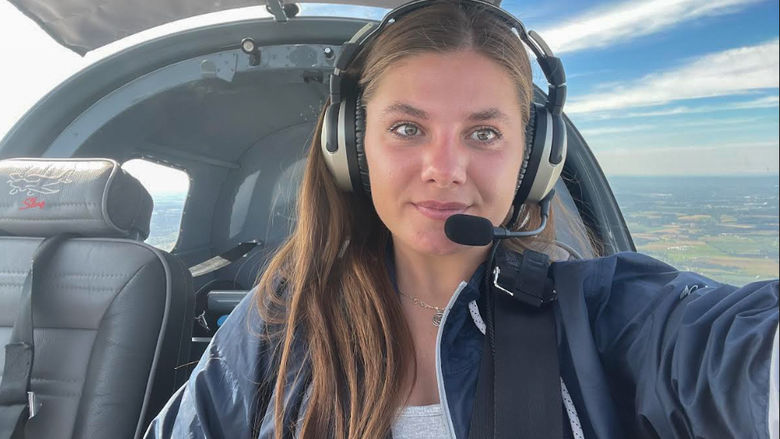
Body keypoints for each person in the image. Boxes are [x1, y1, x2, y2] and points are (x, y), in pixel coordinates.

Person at [145, 0, 779, 438]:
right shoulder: (281, 321)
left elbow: (736, 358)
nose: (443, 167)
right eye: (406, 128)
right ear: (349, 148)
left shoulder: (608, 314)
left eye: (482, 132)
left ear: (534, 162)